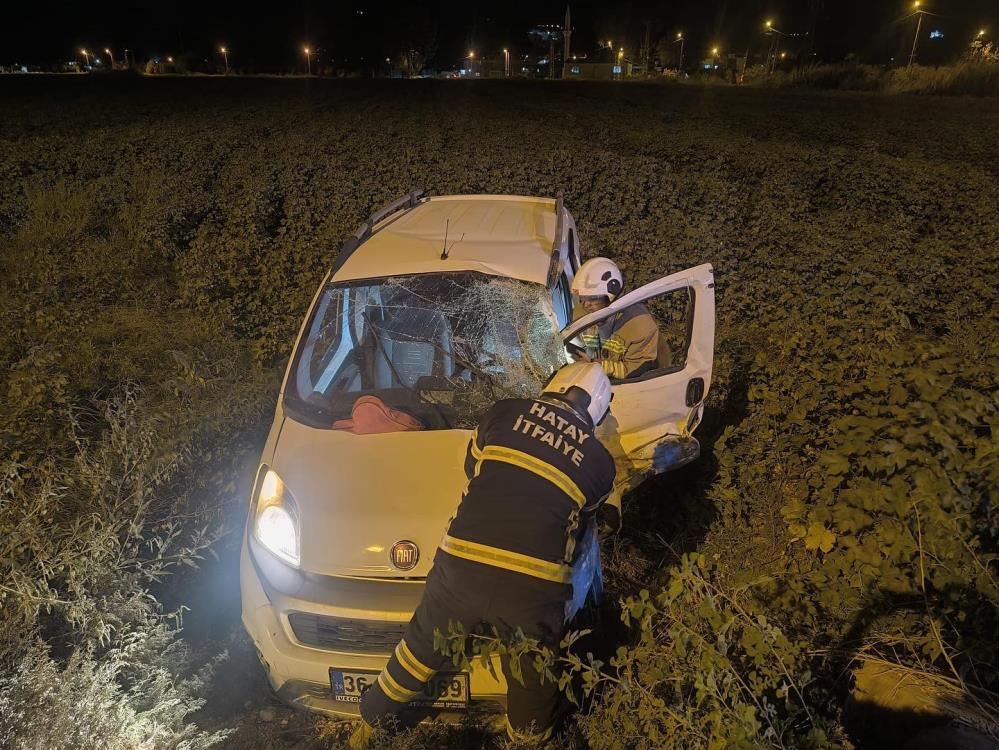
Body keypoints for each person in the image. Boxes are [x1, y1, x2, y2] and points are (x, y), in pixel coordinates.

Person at [350, 363, 616, 748]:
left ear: (552, 386)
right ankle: (526, 740)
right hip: (532, 586)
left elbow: (472, 468)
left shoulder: (506, 412)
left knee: (419, 647)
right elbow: (582, 522)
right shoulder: (600, 462)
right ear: (597, 413)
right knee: (532, 676)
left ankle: (366, 728)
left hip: (461, 565)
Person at [570, 257, 661, 380]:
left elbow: (635, 370)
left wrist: (596, 365)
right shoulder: (581, 313)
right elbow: (578, 346)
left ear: (611, 296)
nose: (586, 305)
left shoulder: (639, 325)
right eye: (583, 298)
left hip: (627, 385)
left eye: (593, 298)